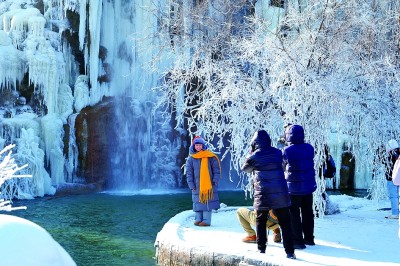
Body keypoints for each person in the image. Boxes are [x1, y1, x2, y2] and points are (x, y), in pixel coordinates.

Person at [241, 130, 296, 259]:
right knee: (285, 223)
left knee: (260, 221)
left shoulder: (254, 156)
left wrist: (251, 153)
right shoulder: (278, 152)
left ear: (255, 143)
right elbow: (283, 166)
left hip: (263, 194)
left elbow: (245, 169)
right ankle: (290, 252)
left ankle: (261, 249)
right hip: (280, 194)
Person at [282, 124, 317, 249]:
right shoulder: (309, 148)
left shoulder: (287, 151)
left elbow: (282, 166)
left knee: (294, 215)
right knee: (308, 213)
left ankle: (298, 241)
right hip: (308, 188)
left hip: (293, 190)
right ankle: (309, 238)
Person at [186, 136, 221, 226]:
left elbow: (216, 170)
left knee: (207, 201)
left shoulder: (210, 157)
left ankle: (206, 221)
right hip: (196, 185)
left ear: (203, 146)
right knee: (197, 202)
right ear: (194, 146)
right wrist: (191, 185)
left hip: (208, 184)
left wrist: (215, 180)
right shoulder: (191, 158)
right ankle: (198, 219)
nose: (198, 147)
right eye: (196, 145)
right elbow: (189, 173)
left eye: (200, 145)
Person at [385, 139, 399, 219]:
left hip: (392, 178)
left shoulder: (391, 155)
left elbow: (388, 166)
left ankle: (395, 213)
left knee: (393, 196)